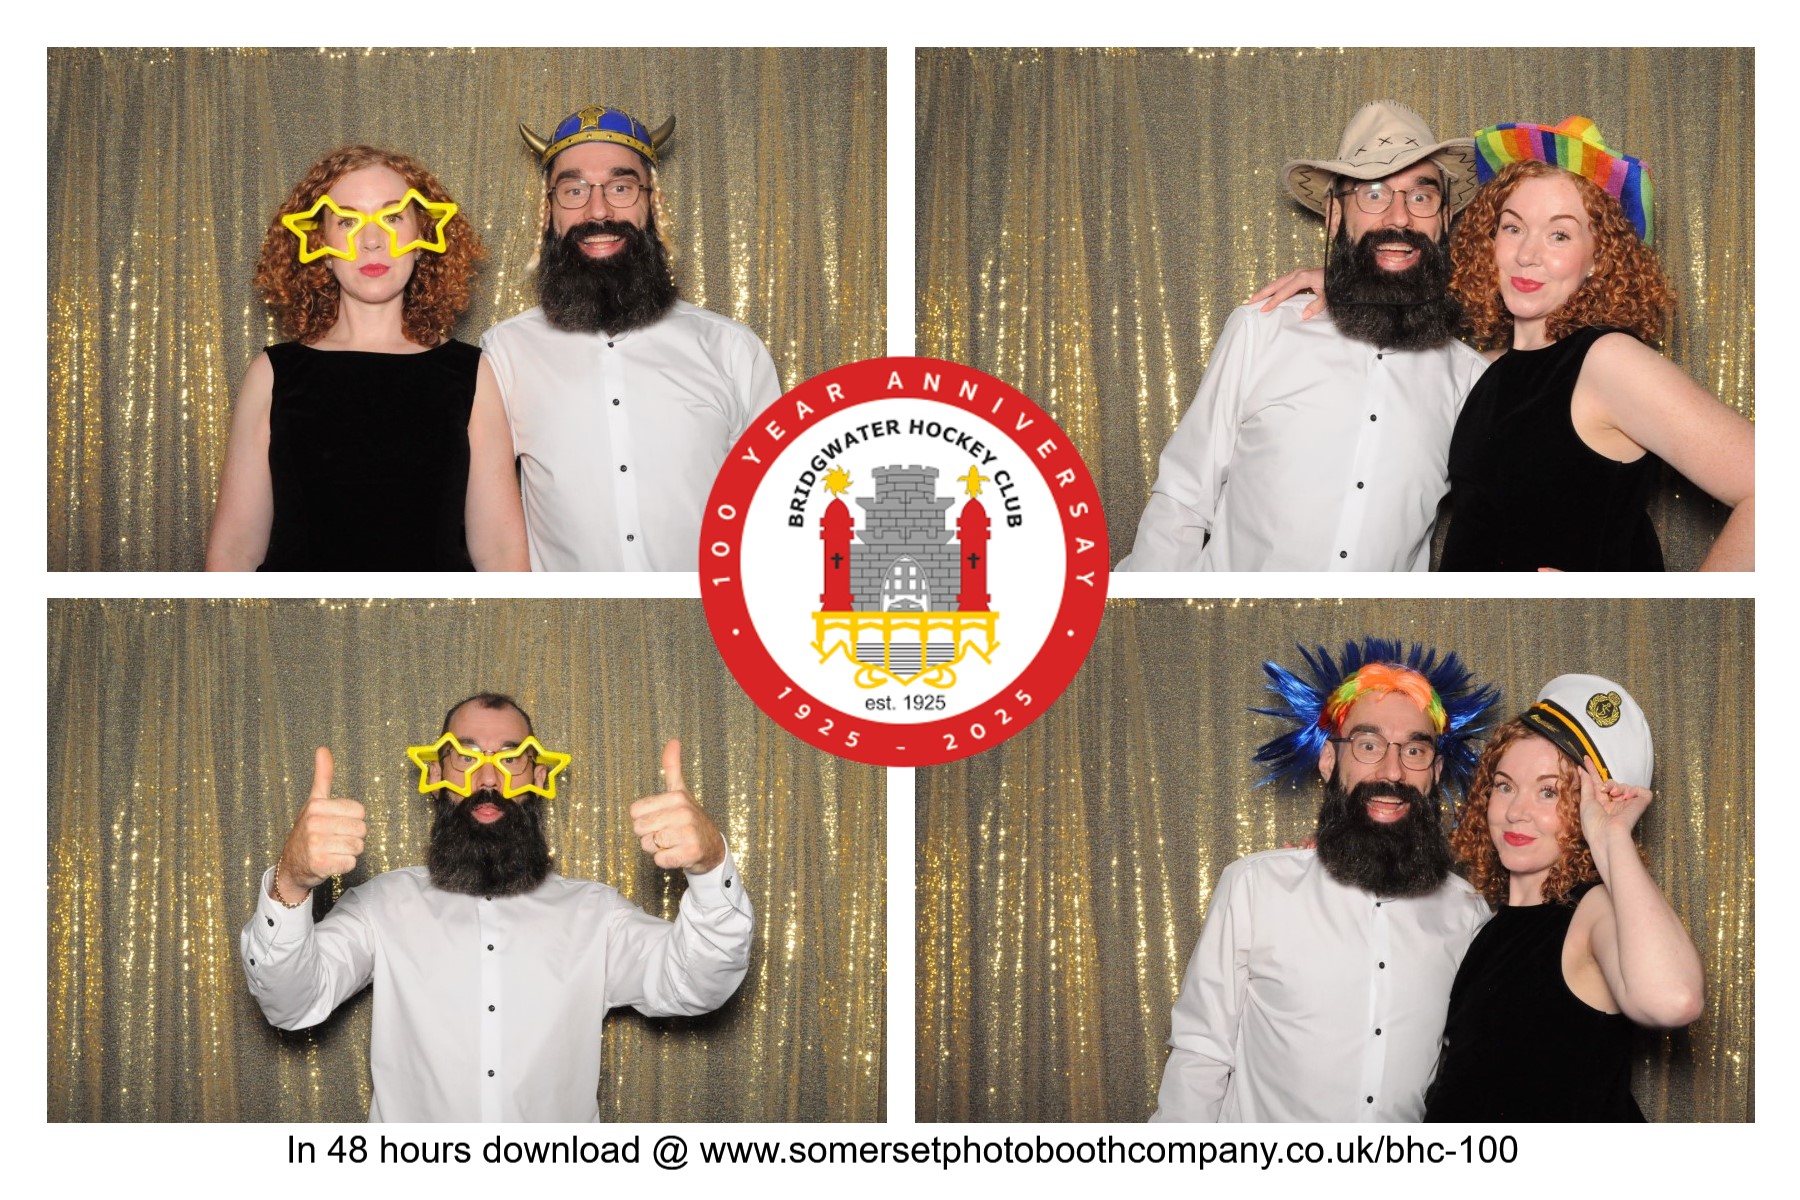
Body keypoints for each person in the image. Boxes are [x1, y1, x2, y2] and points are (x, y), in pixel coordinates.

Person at [238, 692, 753, 1121]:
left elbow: (695, 984)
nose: (488, 780)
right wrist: (292, 880)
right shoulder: (381, 905)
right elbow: (292, 1003)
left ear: (538, 778)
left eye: (510, 758)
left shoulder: (596, 915)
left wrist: (710, 867)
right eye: (466, 756)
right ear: (436, 770)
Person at [1117, 102, 1488, 571]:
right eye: (1373, 193)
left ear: (1444, 217)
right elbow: (1182, 497)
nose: (1399, 218)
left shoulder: (1471, 379)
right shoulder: (1262, 328)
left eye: (1420, 196)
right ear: (1335, 214)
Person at [1151, 639, 1497, 1121]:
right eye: (1369, 745)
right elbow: (1200, 1052)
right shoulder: (1255, 888)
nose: (1393, 771)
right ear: (1330, 760)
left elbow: (1469, 1067)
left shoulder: (1469, 914)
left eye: (1415, 750)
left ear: (1435, 771)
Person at [1437, 118, 1754, 570]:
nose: (1527, 255)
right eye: (1512, 228)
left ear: (1597, 258)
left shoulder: (1608, 361)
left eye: (1560, 235)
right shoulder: (1481, 369)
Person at [480, 104, 783, 571]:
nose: (598, 210)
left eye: (620, 187)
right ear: (549, 211)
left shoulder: (732, 349)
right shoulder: (504, 353)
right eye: (574, 190)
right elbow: (495, 535)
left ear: (651, 203)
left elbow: (772, 515)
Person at [207, 146, 528, 571]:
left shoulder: (471, 373)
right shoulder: (272, 374)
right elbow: (233, 553)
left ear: (422, 240)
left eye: (392, 218)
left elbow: (502, 553)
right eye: (347, 221)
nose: (373, 240)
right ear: (320, 245)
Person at [1424, 674, 1704, 1120]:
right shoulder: (1489, 928)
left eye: (1549, 791)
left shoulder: (1591, 911)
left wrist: (1611, 836)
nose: (1516, 811)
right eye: (1504, 785)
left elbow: (1675, 999)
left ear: (1590, 807)